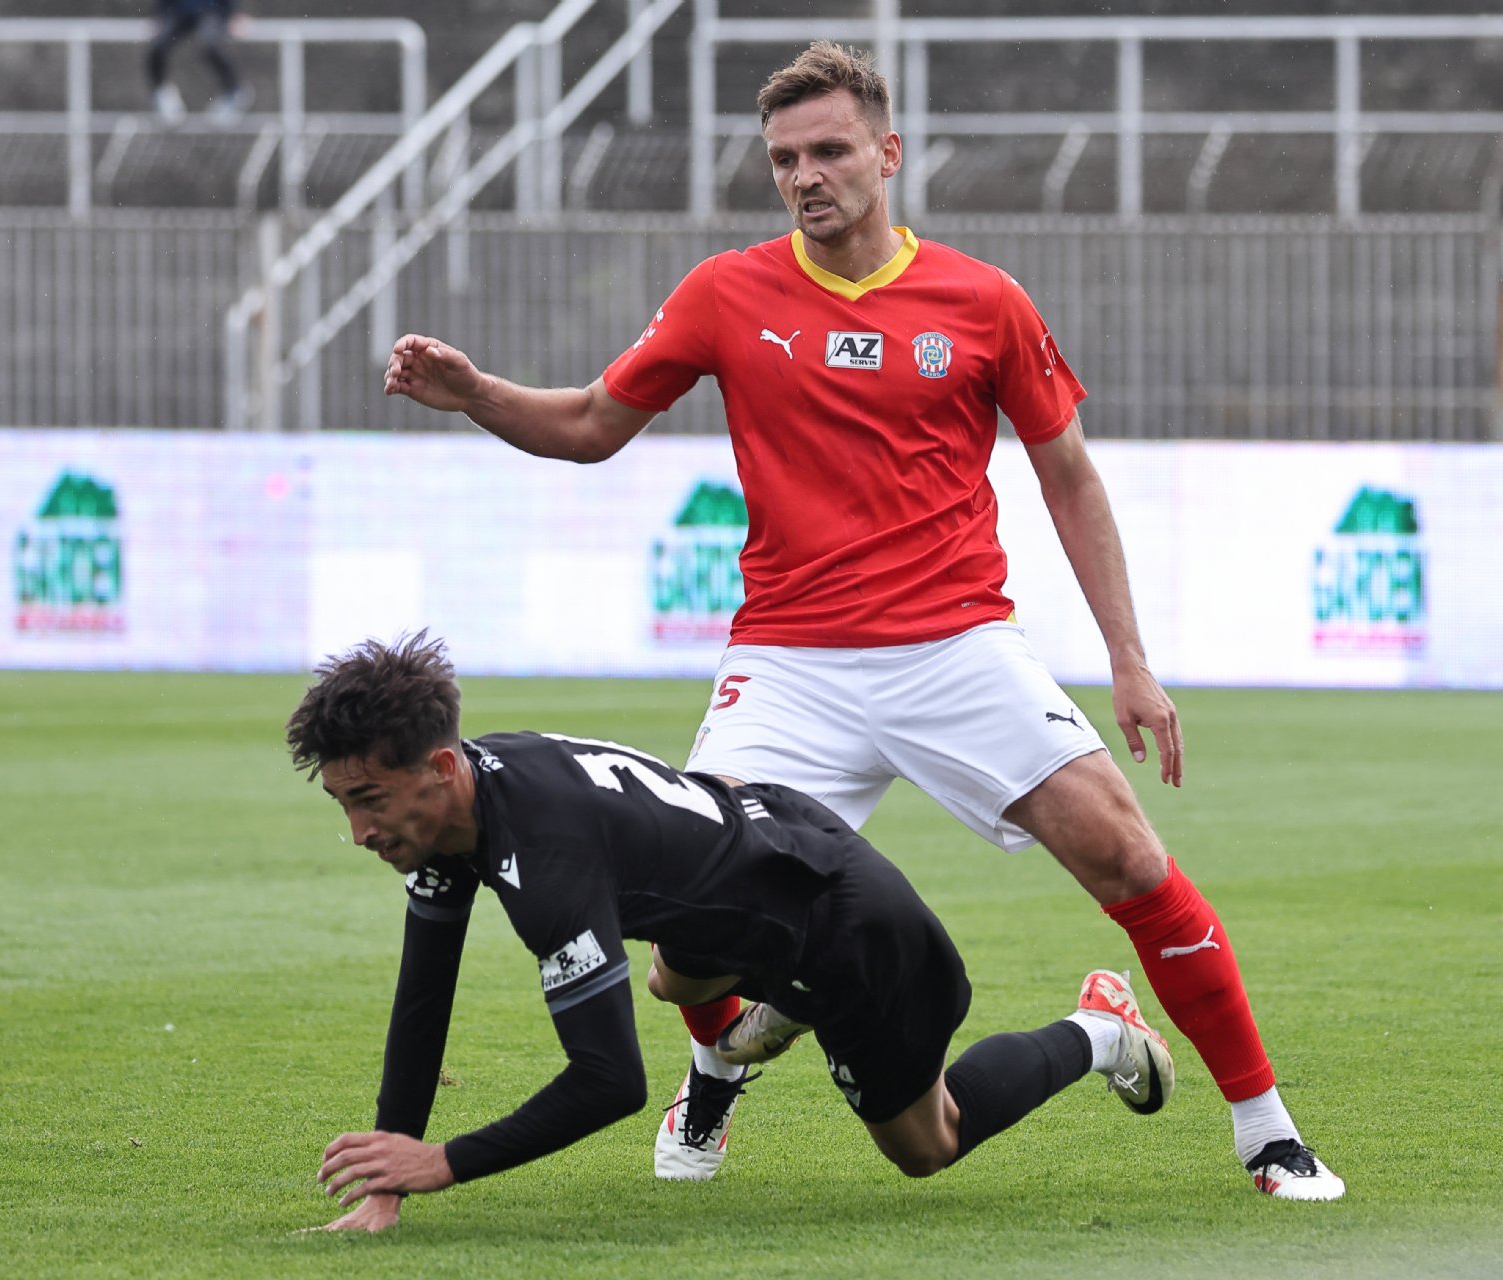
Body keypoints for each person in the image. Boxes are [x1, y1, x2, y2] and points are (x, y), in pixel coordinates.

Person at [379, 41, 1342, 1202]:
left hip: (957, 646)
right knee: (687, 959)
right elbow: (589, 423)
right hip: (788, 663)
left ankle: (1267, 1131)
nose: (805, 176)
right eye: (784, 159)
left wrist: (1129, 660)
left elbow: (1069, 477)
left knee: (1128, 852)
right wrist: (476, 394)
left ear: (887, 154)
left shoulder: (983, 301)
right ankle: (715, 1072)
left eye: (829, 150)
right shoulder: (726, 293)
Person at [291, 632, 1175, 1233]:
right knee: (672, 975)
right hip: (764, 859)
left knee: (927, 1144)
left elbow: (608, 1082)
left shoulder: (545, 858)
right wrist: (385, 1182)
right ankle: (751, 1033)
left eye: (369, 801)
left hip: (848, 932)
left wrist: (440, 1163)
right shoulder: (469, 798)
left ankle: (1099, 1030)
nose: (361, 832)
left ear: (440, 768)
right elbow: (423, 995)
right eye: (343, 806)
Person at [146, 0, 251, 126]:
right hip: (179, 12)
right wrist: (159, 15)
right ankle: (161, 91)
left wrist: (234, 14)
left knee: (210, 45)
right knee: (158, 46)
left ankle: (234, 92)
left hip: (212, 11)